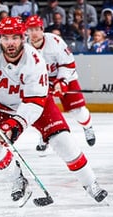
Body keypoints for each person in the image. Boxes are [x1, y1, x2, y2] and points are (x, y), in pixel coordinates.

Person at [0, 16, 108, 204]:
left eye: (14, 37)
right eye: (5, 38)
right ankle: (17, 180)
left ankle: (91, 183)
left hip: (37, 103)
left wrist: (16, 125)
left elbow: (33, 102)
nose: (10, 43)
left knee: (64, 142)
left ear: (23, 38)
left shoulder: (35, 61)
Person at [25, 15, 97, 150]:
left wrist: (62, 81)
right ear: (26, 32)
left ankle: (87, 127)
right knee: (41, 112)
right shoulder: (24, 48)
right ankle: (45, 134)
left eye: (36, 29)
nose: (34, 33)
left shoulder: (55, 41)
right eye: (30, 29)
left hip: (65, 77)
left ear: (42, 29)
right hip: (41, 82)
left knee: (78, 110)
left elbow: (68, 63)